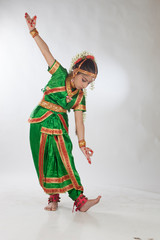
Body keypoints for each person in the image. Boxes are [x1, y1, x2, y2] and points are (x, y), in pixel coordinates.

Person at [25, 12, 101, 212]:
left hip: (58, 124)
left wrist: (82, 144)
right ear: (75, 72)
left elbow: (79, 123)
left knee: (65, 159)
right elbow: (45, 51)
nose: (85, 86)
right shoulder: (59, 74)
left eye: (89, 83)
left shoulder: (79, 97)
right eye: (84, 80)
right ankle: (53, 199)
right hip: (40, 121)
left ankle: (80, 201)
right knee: (45, 160)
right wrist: (33, 31)